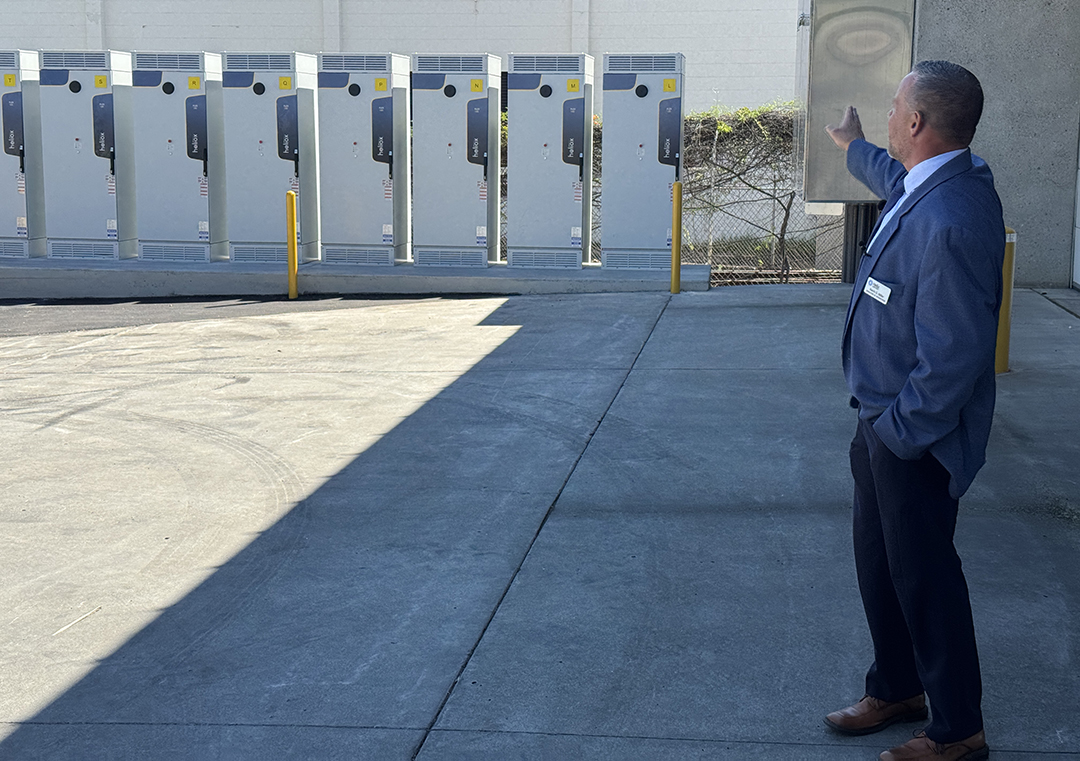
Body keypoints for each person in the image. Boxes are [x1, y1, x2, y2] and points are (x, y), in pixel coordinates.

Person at [822, 60, 1005, 761]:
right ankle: (897, 685)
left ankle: (959, 729)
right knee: (882, 563)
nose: (891, 114)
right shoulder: (927, 184)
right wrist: (853, 144)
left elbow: (956, 356)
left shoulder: (953, 217)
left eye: (895, 107)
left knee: (925, 576)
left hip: (913, 436)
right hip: (880, 422)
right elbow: (890, 177)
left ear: (918, 122)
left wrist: (900, 433)